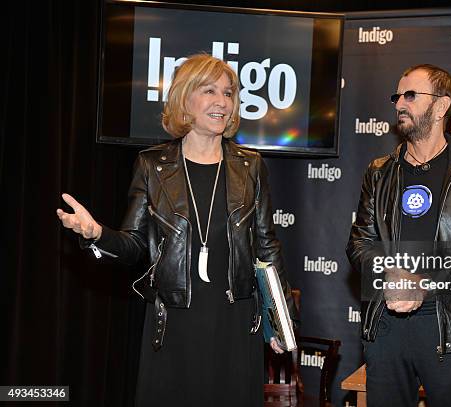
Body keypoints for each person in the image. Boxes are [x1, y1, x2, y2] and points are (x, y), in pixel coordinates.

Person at [56, 53, 296, 407]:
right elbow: (136, 245)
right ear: (185, 98)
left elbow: (266, 247)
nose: (222, 102)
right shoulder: (153, 165)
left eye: (228, 93)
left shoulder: (250, 166)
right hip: (174, 322)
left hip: (234, 321)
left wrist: (279, 321)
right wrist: (96, 234)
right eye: (209, 90)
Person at [346, 64, 451, 407]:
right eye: (397, 96)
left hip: (450, 328)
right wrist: (389, 273)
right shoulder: (379, 171)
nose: (399, 104)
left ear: (441, 106)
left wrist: (424, 284)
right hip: (385, 326)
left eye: (410, 95)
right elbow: (359, 244)